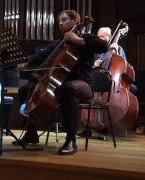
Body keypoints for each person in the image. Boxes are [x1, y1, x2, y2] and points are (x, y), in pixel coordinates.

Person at [14, 10, 108, 155]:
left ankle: (71, 140)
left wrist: (79, 40)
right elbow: (42, 56)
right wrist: (26, 62)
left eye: (64, 20)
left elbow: (103, 46)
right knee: (24, 90)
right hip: (59, 84)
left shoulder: (86, 38)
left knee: (68, 88)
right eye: (59, 21)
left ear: (75, 20)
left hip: (83, 84)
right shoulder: (59, 43)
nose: (61, 23)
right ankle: (30, 133)